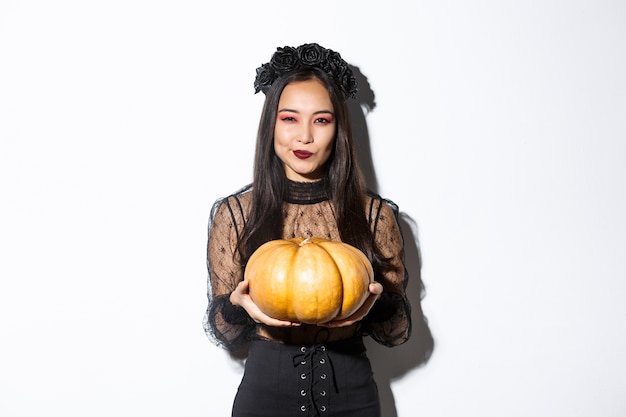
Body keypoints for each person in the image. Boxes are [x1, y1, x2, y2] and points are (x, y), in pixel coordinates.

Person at [203, 42, 411, 417]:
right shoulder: (236, 214)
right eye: (289, 118)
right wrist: (236, 304)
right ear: (271, 124)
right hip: (265, 397)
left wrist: (376, 301)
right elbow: (225, 331)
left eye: (321, 120)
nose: (304, 137)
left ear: (338, 129)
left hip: (353, 397)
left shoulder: (374, 215)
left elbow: (396, 333)